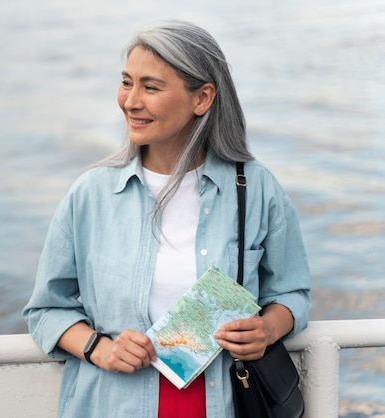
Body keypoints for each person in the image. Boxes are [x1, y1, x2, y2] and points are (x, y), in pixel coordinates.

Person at [23, 19, 310, 418]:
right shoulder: (89, 194)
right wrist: (100, 348)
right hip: (115, 405)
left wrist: (268, 329)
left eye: (151, 87)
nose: (130, 101)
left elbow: (292, 293)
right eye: (127, 83)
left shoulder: (256, 187)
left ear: (203, 98)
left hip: (226, 404)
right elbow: (46, 309)